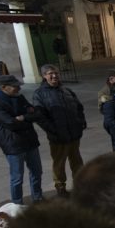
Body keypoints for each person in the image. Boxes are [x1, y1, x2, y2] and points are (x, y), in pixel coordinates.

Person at [0, 74, 43, 204]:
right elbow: (10, 123)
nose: (18, 88)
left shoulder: (19, 97)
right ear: (3, 87)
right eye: (15, 86)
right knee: (17, 177)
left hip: (30, 141)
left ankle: (37, 197)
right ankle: (17, 204)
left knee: (37, 171)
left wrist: (23, 118)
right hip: (13, 144)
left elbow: (37, 114)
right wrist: (26, 117)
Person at [32, 64, 86, 197]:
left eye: (56, 73)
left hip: (74, 134)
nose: (54, 76)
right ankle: (60, 187)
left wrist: (80, 123)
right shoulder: (39, 94)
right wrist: (53, 131)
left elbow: (79, 107)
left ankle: (80, 185)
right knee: (59, 163)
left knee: (77, 161)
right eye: (50, 73)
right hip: (58, 138)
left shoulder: (66, 90)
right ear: (44, 76)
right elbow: (40, 117)